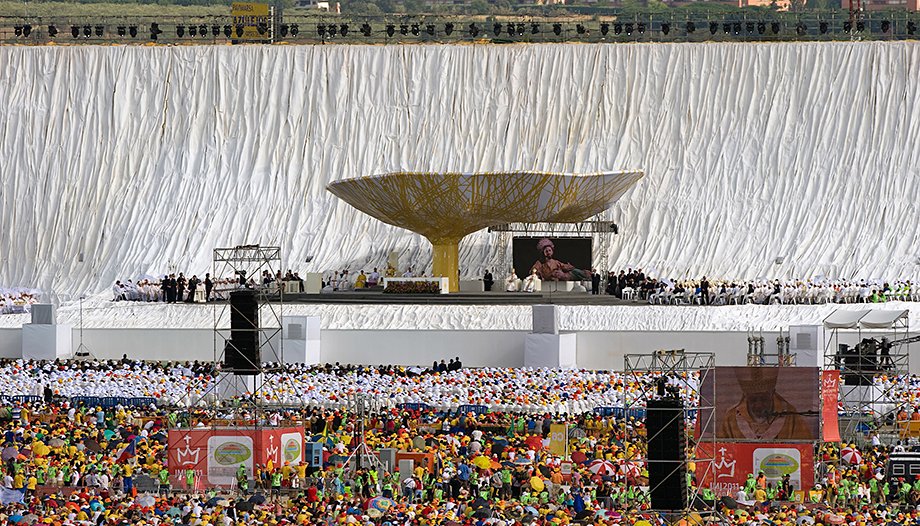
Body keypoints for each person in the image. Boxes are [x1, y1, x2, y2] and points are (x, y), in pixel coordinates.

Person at [718, 368, 813, 440]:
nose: (759, 405)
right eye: (753, 400)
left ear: (772, 393)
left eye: (764, 399)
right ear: (746, 396)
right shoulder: (731, 417)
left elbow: (804, 448)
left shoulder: (790, 416)